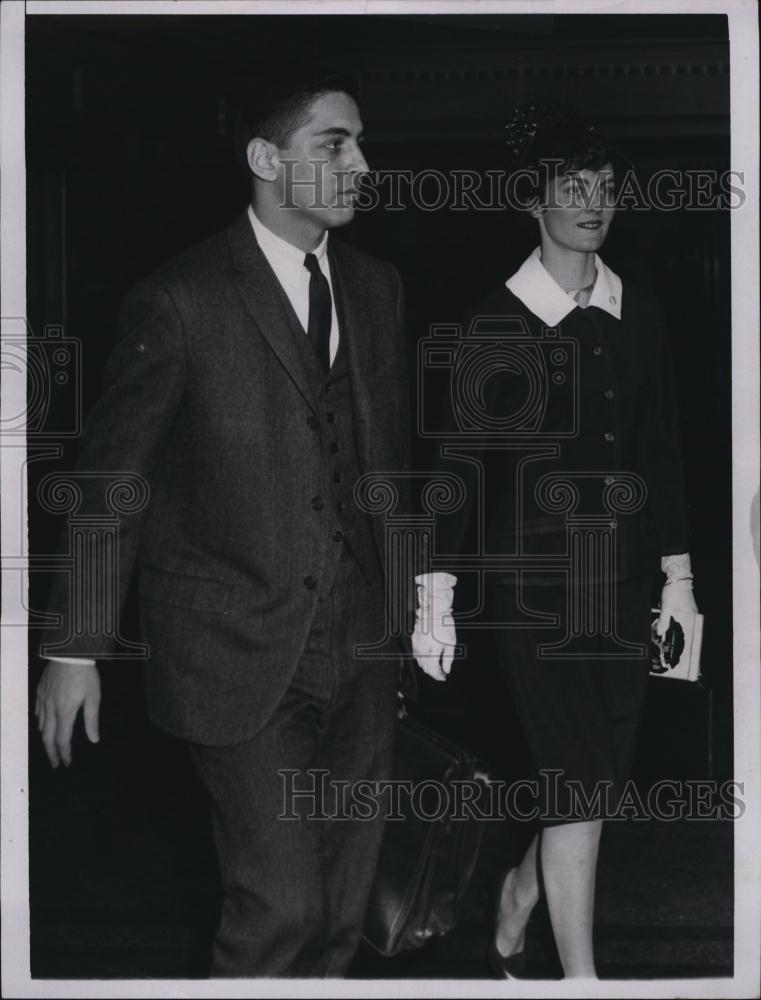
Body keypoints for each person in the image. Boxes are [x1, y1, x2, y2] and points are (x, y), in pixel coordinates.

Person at [34, 75, 411, 978]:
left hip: (360, 649)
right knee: (281, 905)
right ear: (264, 160)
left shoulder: (377, 288)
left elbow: (390, 467)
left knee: (337, 918)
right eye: (334, 145)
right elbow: (110, 479)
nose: (361, 164)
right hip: (233, 654)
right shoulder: (180, 299)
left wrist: (416, 599)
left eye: (359, 143)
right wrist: (74, 648)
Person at [411, 104, 698, 979]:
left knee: (594, 786)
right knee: (575, 790)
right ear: (531, 202)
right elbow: (453, 463)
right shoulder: (493, 323)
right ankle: (581, 980)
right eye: (572, 187)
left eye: (604, 188)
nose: (592, 202)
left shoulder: (636, 310)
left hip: (620, 589)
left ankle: (517, 895)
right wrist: (436, 595)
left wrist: (678, 582)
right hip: (533, 599)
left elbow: (660, 450)